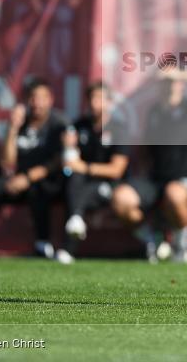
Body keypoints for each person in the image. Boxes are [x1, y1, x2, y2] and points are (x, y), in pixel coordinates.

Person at [130, 68, 187, 263]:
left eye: (173, 81)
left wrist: (180, 74)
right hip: (157, 180)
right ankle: (153, 240)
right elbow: (147, 150)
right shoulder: (154, 112)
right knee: (122, 199)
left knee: (174, 192)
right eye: (165, 81)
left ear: (181, 83)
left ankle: (181, 245)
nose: (170, 85)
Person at [0, 78, 68, 258]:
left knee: (39, 189)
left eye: (42, 98)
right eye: (33, 98)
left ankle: (43, 243)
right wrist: (12, 128)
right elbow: (8, 161)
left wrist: (28, 178)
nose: (37, 103)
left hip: (45, 180)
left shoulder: (59, 123)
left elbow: (58, 161)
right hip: (18, 178)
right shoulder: (21, 122)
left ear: (50, 99)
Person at [56, 81, 130, 264]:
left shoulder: (118, 129)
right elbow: (70, 163)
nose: (94, 103)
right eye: (91, 98)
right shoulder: (79, 126)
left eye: (99, 98)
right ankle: (74, 224)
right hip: (81, 182)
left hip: (110, 185)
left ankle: (69, 246)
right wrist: (68, 147)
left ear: (109, 102)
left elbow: (117, 170)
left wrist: (85, 167)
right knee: (73, 179)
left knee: (81, 189)